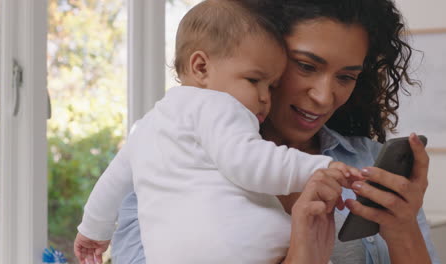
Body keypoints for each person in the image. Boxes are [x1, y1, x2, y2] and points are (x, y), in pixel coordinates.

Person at [105, 0, 442, 263]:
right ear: (259, 50)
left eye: (346, 76)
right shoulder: (164, 167)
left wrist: (402, 228)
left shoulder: (368, 164)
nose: (325, 97)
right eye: (306, 66)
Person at [74, 1, 360, 263]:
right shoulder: (218, 105)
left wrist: (92, 231)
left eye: (271, 86)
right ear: (201, 68)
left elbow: (110, 185)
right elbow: (249, 162)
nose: (264, 97)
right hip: (237, 248)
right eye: (254, 80)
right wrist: (320, 167)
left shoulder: (148, 124)